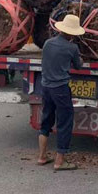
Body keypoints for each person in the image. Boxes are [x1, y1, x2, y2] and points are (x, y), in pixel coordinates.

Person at [37, 14, 84, 171]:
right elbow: (78, 66)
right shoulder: (72, 48)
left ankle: (42, 157)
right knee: (64, 122)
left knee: (46, 120)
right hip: (61, 89)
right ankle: (60, 161)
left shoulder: (48, 43)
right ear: (72, 33)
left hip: (46, 87)